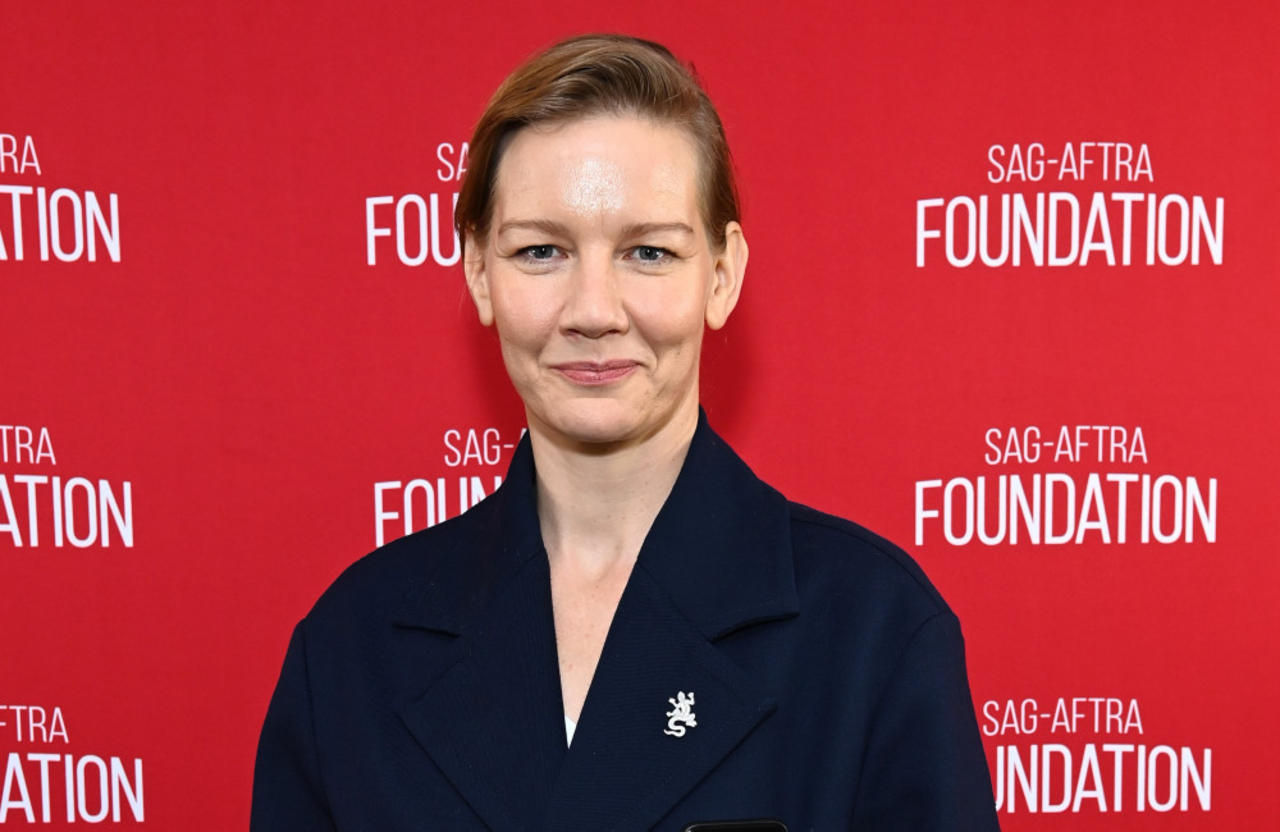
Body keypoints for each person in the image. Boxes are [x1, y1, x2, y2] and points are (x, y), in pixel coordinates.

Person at [252, 34, 999, 831]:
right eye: (542, 251)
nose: (595, 311)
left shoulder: (873, 634)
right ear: (478, 272)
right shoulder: (352, 649)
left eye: (649, 252)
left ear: (721, 275)